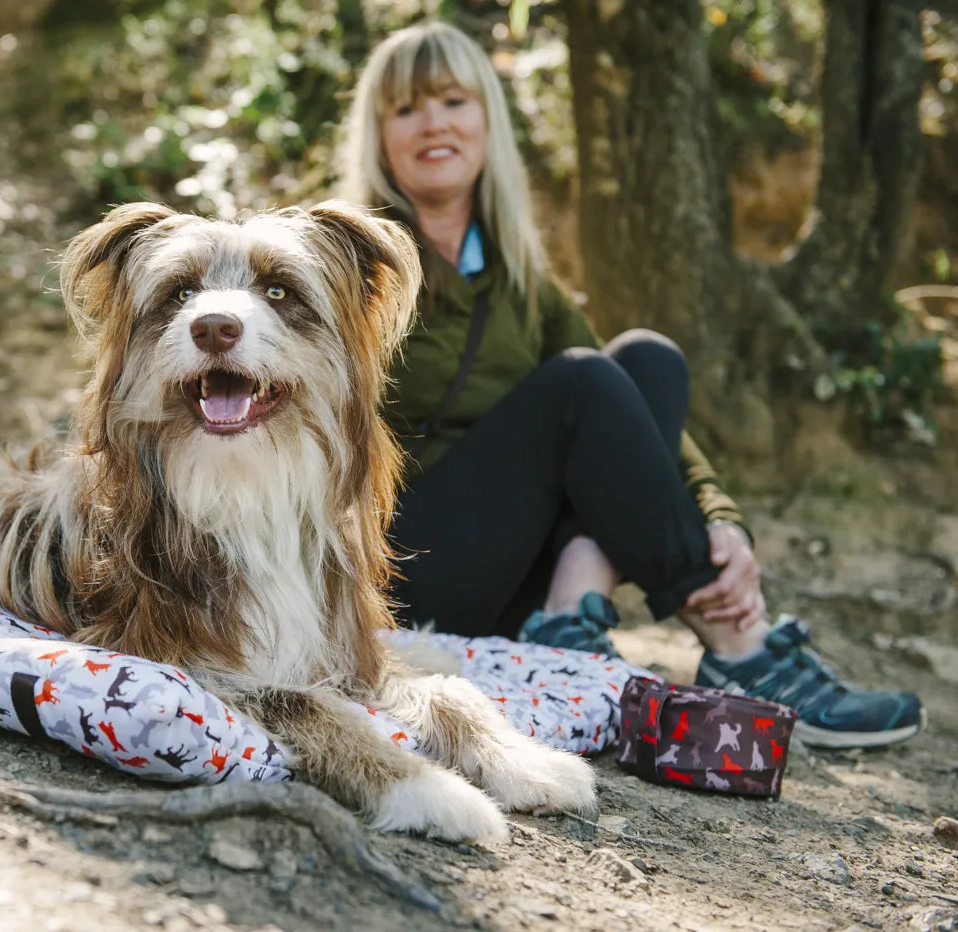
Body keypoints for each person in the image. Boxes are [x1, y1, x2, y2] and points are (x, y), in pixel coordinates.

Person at [338, 21, 924, 749]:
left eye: (453, 100)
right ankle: (741, 643)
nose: (433, 122)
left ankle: (569, 615)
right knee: (582, 382)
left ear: (487, 120)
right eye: (406, 108)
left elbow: (631, 409)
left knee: (646, 360)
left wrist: (721, 516)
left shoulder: (520, 279)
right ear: (380, 136)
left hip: (509, 571)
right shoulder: (353, 268)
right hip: (406, 565)